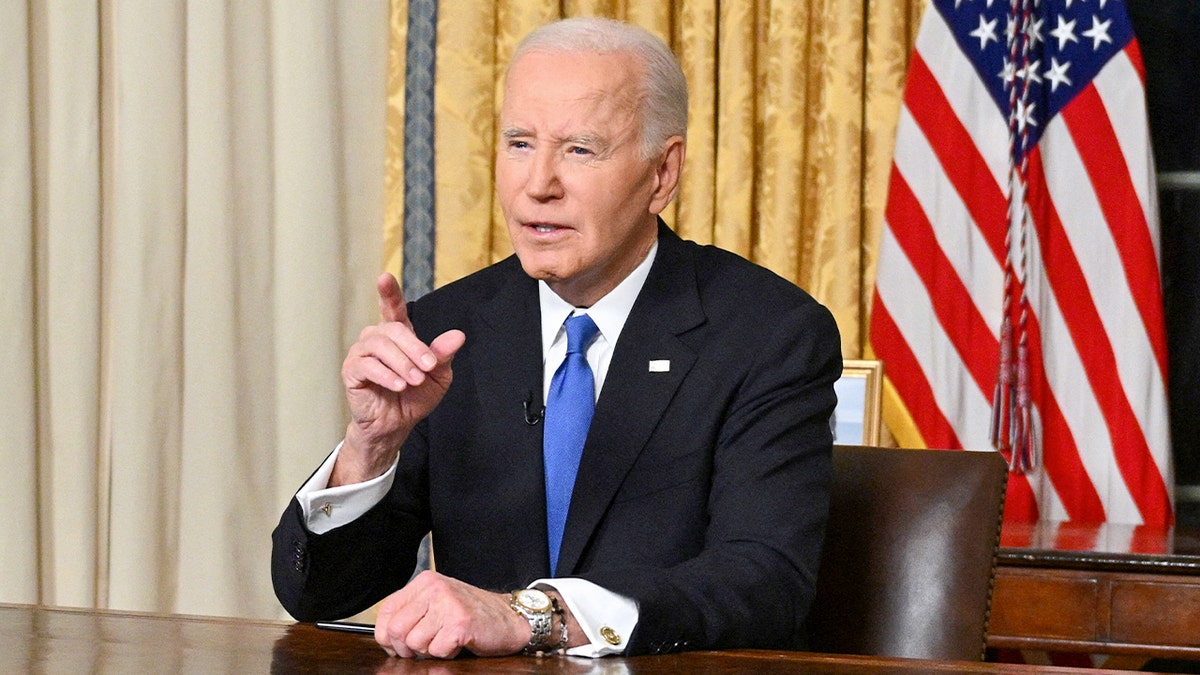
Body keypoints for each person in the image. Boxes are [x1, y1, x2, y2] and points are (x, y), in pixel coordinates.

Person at [271, 16, 841, 660]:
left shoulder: (767, 334)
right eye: (519, 143)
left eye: (579, 150)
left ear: (662, 172)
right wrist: (369, 448)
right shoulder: (447, 331)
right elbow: (317, 595)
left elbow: (764, 582)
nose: (538, 184)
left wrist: (535, 616)